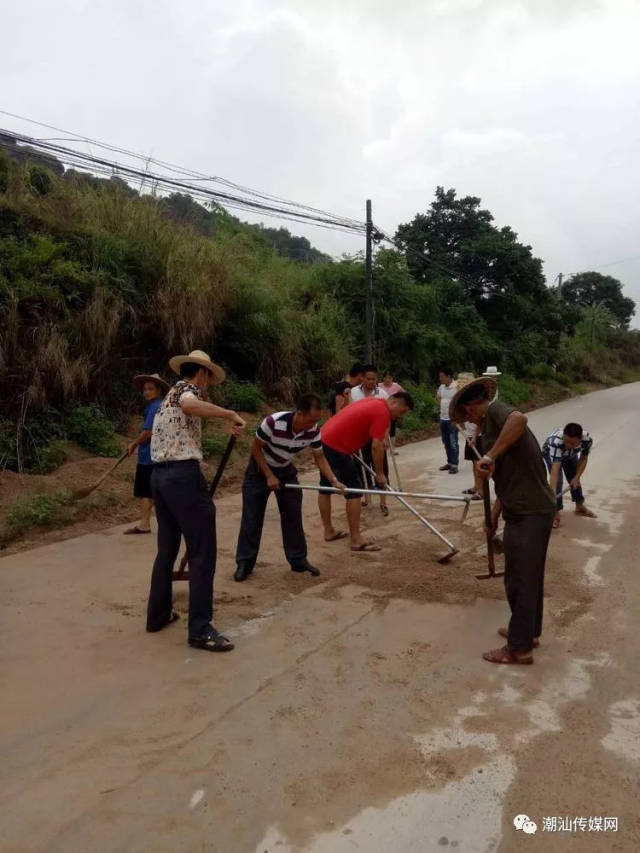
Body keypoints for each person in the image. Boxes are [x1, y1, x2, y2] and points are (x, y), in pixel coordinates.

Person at [450, 377, 556, 665]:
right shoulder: (489, 431)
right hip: (521, 509)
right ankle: (528, 632)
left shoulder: (497, 413)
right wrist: (494, 517)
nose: (468, 419)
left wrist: (490, 455)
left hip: (531, 512)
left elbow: (520, 419)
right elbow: (506, 482)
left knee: (520, 580)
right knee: (526, 577)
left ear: (474, 406)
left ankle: (519, 648)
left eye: (468, 413)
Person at [147, 349, 246, 653]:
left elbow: (175, 434)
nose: (208, 386)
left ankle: (158, 615)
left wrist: (194, 460)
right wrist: (229, 414)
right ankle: (200, 629)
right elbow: (191, 407)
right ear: (201, 373)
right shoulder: (187, 391)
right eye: (208, 380)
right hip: (180, 480)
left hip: (160, 478)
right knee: (203, 552)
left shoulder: (168, 397)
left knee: (167, 549)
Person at [234, 395, 344, 582]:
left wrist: (334, 480)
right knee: (252, 518)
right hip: (259, 470)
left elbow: (320, 458)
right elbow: (255, 449)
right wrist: (269, 475)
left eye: (317, 421)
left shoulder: (313, 430)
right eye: (311, 420)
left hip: (286, 470)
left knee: (293, 515)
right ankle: (245, 563)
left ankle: (298, 560)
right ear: (299, 414)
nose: (313, 425)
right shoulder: (273, 422)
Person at [318, 392, 414, 551]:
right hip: (336, 446)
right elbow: (377, 446)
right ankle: (356, 539)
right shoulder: (383, 413)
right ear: (394, 402)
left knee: (325, 486)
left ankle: (329, 531)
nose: (401, 416)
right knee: (355, 491)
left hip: (325, 438)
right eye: (402, 411)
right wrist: (380, 474)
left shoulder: (374, 401)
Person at [124, 373, 169, 534]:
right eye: (145, 389)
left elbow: (148, 431)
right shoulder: (154, 406)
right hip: (152, 454)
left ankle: (145, 524)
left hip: (149, 456)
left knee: (145, 491)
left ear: (158, 390)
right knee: (151, 492)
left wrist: (134, 444)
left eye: (150, 389)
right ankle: (145, 523)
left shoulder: (156, 406)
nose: (146, 392)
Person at [349, 365, 390, 514]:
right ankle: (366, 496)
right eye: (368, 378)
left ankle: (383, 501)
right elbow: (350, 412)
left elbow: (387, 418)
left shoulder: (383, 395)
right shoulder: (354, 392)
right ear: (362, 378)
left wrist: (385, 437)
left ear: (376, 379)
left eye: (373, 379)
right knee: (363, 466)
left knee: (380, 468)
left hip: (377, 436)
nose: (370, 381)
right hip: (361, 436)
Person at [542, 424, 596, 528]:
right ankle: (555, 512)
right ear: (564, 436)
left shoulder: (587, 440)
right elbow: (555, 470)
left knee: (574, 478)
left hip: (570, 455)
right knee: (557, 483)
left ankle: (579, 506)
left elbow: (583, 459)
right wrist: (552, 492)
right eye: (566, 441)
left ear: (580, 439)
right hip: (551, 454)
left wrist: (577, 477)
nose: (568, 445)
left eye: (572, 443)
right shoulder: (556, 442)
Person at [436, 368, 459, 474]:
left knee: (453, 442)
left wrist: (456, 417)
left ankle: (454, 464)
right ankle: (449, 462)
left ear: (449, 376)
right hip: (443, 418)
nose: (440, 379)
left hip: (452, 420)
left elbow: (460, 403)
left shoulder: (457, 387)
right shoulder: (441, 387)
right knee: (446, 442)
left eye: (442, 376)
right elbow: (438, 397)